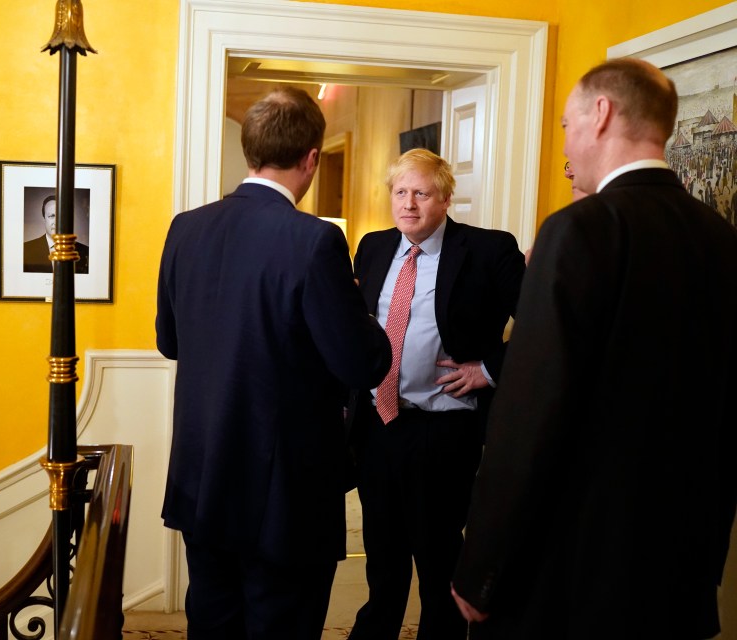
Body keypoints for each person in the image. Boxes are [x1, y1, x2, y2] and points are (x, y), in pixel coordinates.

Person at [451, 58, 737, 640]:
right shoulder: (720, 237)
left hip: (568, 577)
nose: (566, 141)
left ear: (600, 114)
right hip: (679, 570)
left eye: (564, 124)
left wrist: (480, 571)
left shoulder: (579, 228)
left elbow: (528, 417)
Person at [155, 85, 391, 640]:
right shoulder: (314, 241)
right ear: (312, 158)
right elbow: (363, 365)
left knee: (212, 623)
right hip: (284, 489)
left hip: (203, 470)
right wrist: (356, 307)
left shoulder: (185, 228)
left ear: (249, 149)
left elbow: (170, 341)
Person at [347, 148, 525, 640]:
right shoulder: (374, 246)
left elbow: (540, 324)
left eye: (421, 193)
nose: (408, 204)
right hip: (379, 424)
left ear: (445, 198)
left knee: (437, 557)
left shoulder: (488, 250)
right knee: (382, 554)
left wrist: (489, 369)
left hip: (443, 429)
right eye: (400, 192)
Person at [23, 194, 90, 273]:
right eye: (52, 216)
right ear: (44, 218)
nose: (57, 221)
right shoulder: (25, 250)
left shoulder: (86, 252)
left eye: (62, 216)